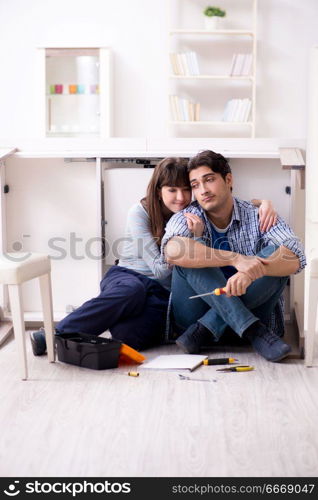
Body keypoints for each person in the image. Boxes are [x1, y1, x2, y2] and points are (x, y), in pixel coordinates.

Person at [30, 156, 277, 355]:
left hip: (163, 292)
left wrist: (262, 202)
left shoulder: (194, 211)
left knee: (128, 338)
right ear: (159, 191)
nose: (180, 198)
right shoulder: (140, 212)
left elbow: (233, 201)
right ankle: (55, 333)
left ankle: (101, 322)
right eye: (172, 190)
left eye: (185, 190)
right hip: (130, 276)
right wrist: (195, 242)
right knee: (132, 292)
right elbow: (159, 269)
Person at [162, 150, 306, 362]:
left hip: (200, 334)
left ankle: (210, 327)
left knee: (276, 256)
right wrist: (234, 259)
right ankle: (255, 331)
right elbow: (172, 251)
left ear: (228, 179)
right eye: (195, 185)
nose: (203, 190)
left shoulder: (259, 215)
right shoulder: (189, 216)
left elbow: (296, 255)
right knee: (185, 256)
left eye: (209, 180)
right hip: (193, 316)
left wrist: (254, 271)